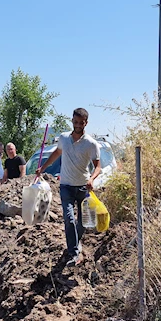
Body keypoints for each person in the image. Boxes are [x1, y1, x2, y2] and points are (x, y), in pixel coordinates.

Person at [36, 108, 101, 266]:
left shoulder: (91, 144)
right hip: (66, 186)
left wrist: (92, 179)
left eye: (81, 122)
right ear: (72, 120)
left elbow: (98, 166)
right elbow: (56, 154)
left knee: (84, 222)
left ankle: (75, 243)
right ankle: (73, 253)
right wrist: (43, 168)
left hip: (84, 188)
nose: (78, 125)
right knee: (69, 218)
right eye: (75, 121)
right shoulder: (64, 138)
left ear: (86, 122)